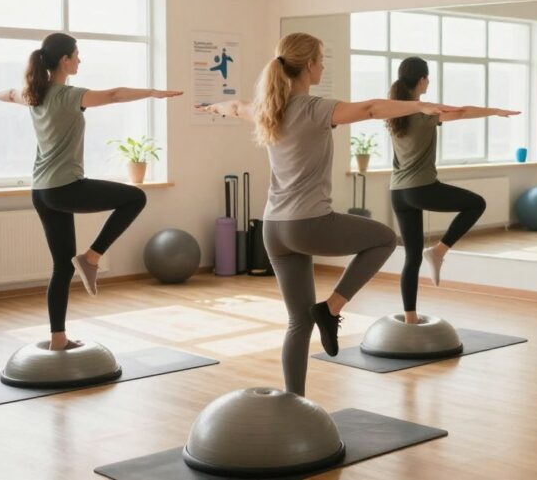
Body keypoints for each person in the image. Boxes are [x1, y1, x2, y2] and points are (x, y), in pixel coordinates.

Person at [197, 33, 462, 396]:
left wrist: (214, 106)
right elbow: (370, 109)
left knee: (297, 322)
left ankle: (295, 401)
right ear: (309, 65)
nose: (323, 65)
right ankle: (332, 308)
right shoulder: (314, 108)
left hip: (274, 228)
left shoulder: (267, 109)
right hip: (308, 223)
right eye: (321, 59)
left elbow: (236, 106)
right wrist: (419, 107)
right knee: (385, 238)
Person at [0, 32, 181, 350]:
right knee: (135, 197)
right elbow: (113, 95)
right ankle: (92, 257)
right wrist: (153, 92)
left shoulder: (33, 94)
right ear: (64, 61)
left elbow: (8, 93)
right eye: (76, 55)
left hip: (41, 192)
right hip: (65, 187)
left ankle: (58, 338)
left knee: (60, 266)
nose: (80, 60)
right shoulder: (68, 95)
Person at [387, 57, 519, 324]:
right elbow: (463, 111)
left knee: (411, 257)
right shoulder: (425, 112)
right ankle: (438, 252)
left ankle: (409, 317)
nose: (429, 82)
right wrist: (495, 111)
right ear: (422, 80)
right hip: (420, 188)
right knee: (476, 204)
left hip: (398, 192)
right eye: (428, 77)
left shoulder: (394, 111)